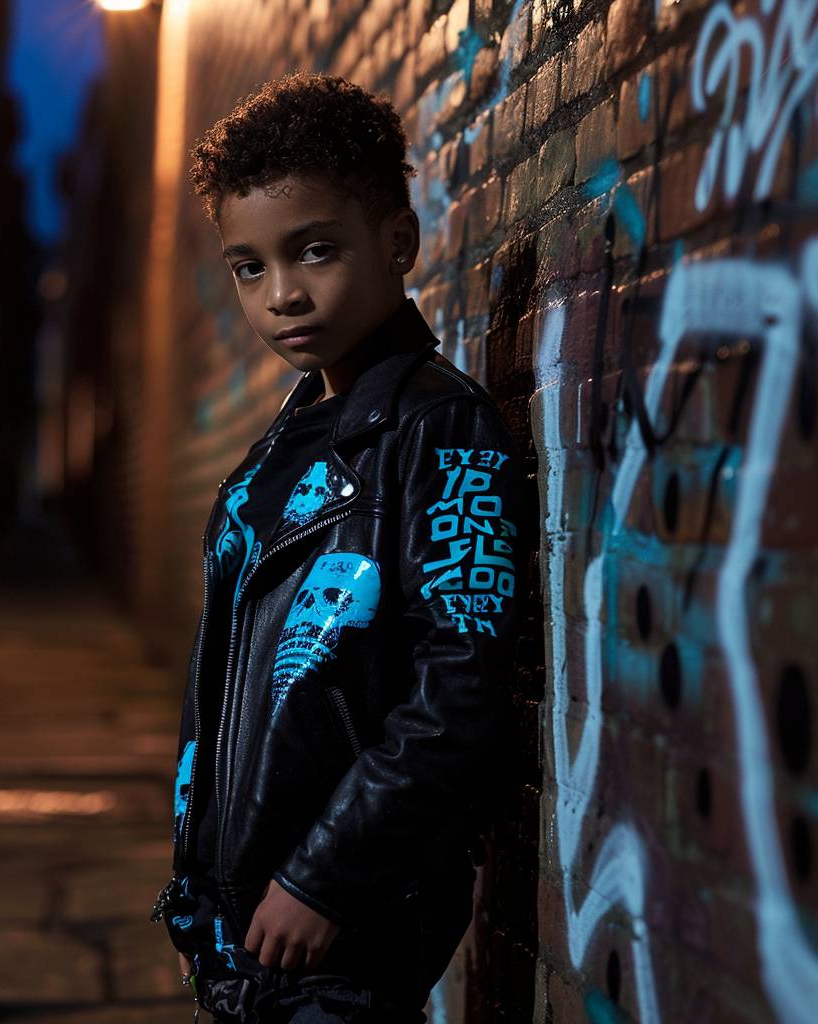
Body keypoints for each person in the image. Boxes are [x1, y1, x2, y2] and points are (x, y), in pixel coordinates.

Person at [151, 70, 527, 1023]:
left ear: (395, 240)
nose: (283, 295)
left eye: (315, 251)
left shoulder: (440, 433)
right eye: (250, 266)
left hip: (339, 931)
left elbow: (459, 693)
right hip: (242, 929)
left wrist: (327, 877)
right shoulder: (274, 456)